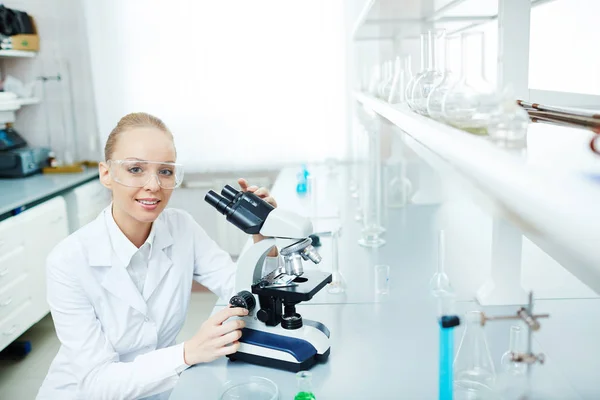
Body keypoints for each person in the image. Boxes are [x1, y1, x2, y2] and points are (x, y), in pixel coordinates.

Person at [36, 112, 278, 399]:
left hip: (158, 388)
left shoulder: (181, 227)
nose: (153, 185)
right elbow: (97, 383)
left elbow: (244, 291)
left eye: (165, 171)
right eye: (135, 169)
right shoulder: (67, 262)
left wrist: (263, 237)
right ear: (106, 174)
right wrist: (188, 352)